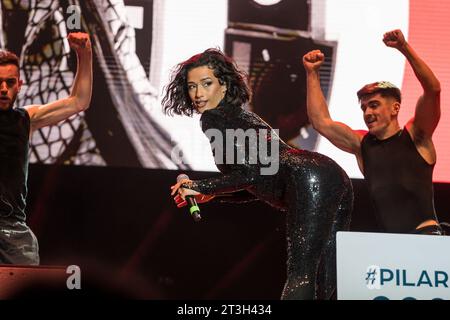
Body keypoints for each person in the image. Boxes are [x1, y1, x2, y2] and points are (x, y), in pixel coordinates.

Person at [163, 48, 353, 300]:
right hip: (328, 174)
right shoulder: (239, 116)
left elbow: (251, 174)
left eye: (206, 84)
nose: (197, 94)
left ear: (224, 85)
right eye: (191, 86)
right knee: (325, 273)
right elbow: (257, 182)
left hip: (307, 177)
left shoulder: (213, 118)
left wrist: (203, 187)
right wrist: (213, 194)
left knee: (302, 274)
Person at [303, 29, 443, 235]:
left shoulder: (417, 136)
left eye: (375, 105)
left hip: (426, 239)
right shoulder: (362, 145)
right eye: (364, 107)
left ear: (395, 108)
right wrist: (312, 73)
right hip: (390, 247)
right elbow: (320, 122)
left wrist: (404, 48)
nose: (368, 112)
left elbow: (433, 89)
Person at [0, 32, 92, 265]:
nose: (3, 88)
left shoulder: (25, 119)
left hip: (12, 230)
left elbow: (78, 101)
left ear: (19, 85)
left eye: (10, 82)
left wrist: (84, 54)